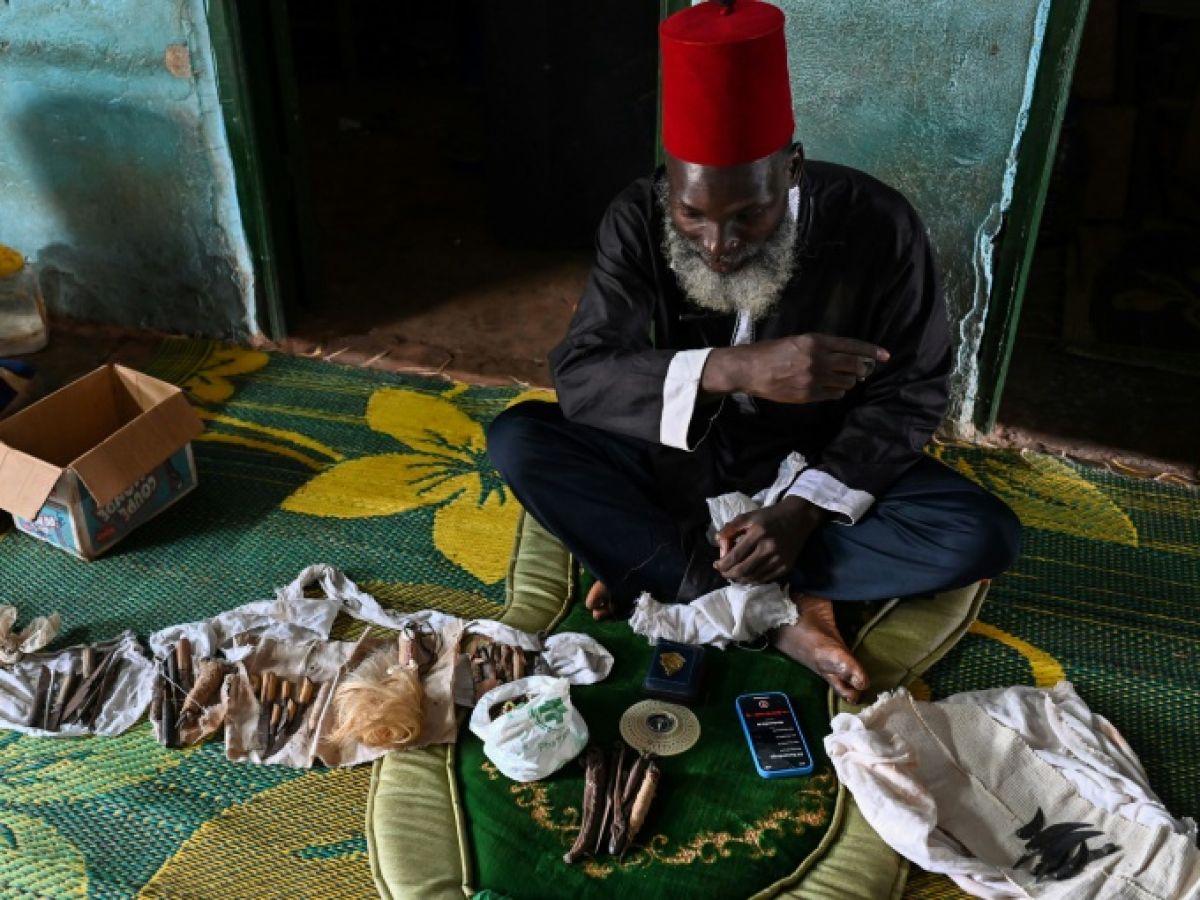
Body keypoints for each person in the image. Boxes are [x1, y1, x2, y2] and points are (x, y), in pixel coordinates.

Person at [487, 0, 1020, 703]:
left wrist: (803, 510)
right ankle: (774, 614)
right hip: (675, 460)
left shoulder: (877, 223)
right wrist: (734, 369)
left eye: (749, 214)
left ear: (791, 169)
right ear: (669, 185)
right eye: (693, 213)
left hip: (815, 462)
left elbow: (913, 388)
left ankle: (665, 568)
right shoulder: (636, 218)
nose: (719, 243)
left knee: (979, 534)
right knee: (520, 439)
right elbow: (583, 376)